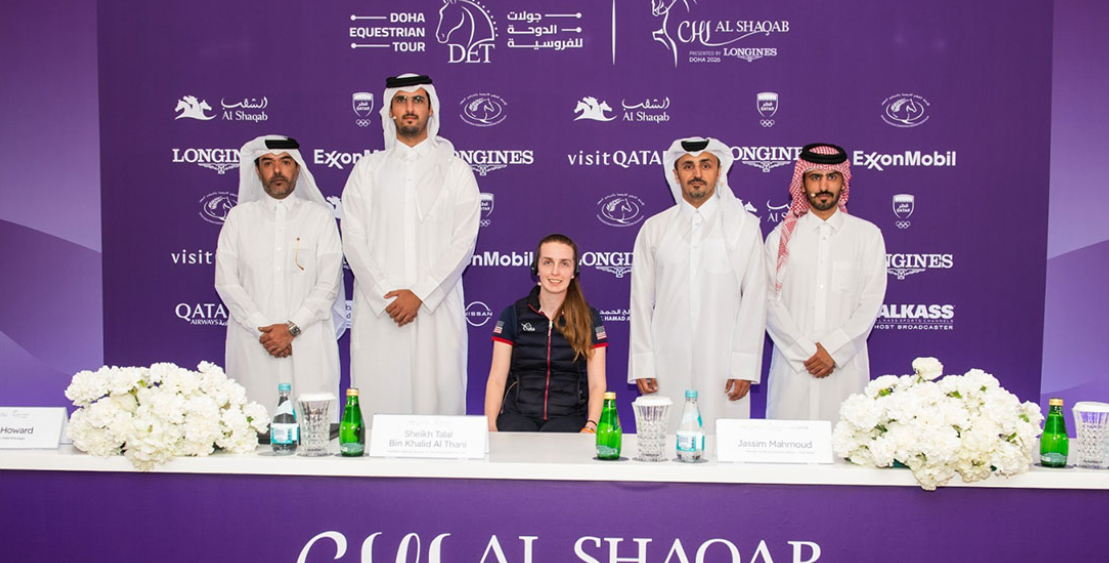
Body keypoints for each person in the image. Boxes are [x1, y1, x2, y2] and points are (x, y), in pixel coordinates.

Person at [341, 73, 481, 417]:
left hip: (436, 308)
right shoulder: (367, 170)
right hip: (381, 310)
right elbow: (353, 239)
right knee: (380, 398)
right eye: (401, 100)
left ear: (431, 109)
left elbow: (464, 241)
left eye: (418, 100)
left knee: (438, 398)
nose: (409, 108)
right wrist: (385, 294)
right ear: (389, 110)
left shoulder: (456, 170)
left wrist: (420, 293)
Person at [628, 137, 767, 431]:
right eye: (688, 166)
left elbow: (755, 299)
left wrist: (744, 365)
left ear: (719, 172)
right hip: (666, 359)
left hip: (724, 361)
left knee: (723, 442)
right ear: (675, 174)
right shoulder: (655, 228)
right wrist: (643, 362)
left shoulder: (744, 227)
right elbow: (640, 301)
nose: (697, 173)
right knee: (664, 439)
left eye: (705, 165)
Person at [215, 135, 345, 411]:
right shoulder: (239, 218)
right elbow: (227, 282)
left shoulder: (320, 217)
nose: (277, 170)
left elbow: (328, 283)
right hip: (254, 343)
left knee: (314, 425)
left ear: (297, 168)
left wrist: (292, 328)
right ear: (257, 170)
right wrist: (263, 329)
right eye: (268, 163)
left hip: (308, 341)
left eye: (285, 162)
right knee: (253, 424)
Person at [764, 143, 887, 421]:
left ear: (843, 182)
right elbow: (768, 301)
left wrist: (833, 349)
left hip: (844, 369)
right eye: (815, 177)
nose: (823, 186)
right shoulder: (780, 238)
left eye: (832, 177)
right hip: (794, 369)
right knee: (787, 444)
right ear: (802, 183)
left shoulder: (867, 236)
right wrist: (804, 351)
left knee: (845, 441)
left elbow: (870, 302)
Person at [484, 234, 608, 433]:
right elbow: (497, 379)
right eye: (548, 262)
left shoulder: (589, 318)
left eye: (564, 264)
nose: (555, 271)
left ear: (574, 272)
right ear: (536, 268)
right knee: (515, 436)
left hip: (568, 417)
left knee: (558, 440)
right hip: (518, 415)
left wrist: (591, 425)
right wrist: (490, 426)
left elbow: (597, 383)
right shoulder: (513, 314)